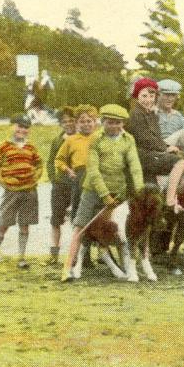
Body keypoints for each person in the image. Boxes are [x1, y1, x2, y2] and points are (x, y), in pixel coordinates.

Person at [63, 104, 144, 280]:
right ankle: (69, 267)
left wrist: (139, 190)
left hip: (119, 191)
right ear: (103, 122)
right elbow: (93, 170)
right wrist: (104, 195)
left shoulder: (128, 139)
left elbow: (135, 167)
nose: (114, 126)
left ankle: (127, 267)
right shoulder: (96, 139)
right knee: (80, 226)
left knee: (121, 228)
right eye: (110, 122)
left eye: (118, 123)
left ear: (122, 123)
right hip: (93, 190)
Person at [0, 114, 44, 270]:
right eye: (19, 126)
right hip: (11, 192)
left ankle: (21, 258)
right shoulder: (3, 146)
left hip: (29, 192)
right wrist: (4, 183)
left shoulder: (31, 147)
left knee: (25, 224)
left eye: (25, 127)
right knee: (3, 223)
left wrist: (35, 178)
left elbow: (39, 164)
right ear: (12, 126)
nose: (22, 130)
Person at [125, 77, 181, 181]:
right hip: (140, 155)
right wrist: (165, 149)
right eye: (144, 96)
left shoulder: (150, 114)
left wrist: (168, 146)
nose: (148, 100)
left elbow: (157, 137)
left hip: (150, 154)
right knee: (179, 162)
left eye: (151, 96)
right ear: (137, 96)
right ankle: (170, 196)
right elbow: (145, 139)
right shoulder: (136, 114)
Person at [55, 105, 99, 229]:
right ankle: (79, 240)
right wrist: (68, 171)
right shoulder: (71, 140)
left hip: (97, 177)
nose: (86, 124)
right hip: (80, 177)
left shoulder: (100, 138)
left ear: (95, 122)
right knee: (79, 211)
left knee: (97, 211)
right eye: (82, 121)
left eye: (89, 121)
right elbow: (59, 160)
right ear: (77, 123)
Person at [47, 107, 77, 264]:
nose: (68, 124)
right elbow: (51, 161)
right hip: (60, 185)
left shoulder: (82, 138)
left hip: (77, 185)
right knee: (56, 219)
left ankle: (75, 255)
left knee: (76, 220)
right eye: (64, 121)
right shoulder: (57, 140)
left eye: (71, 120)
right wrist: (53, 178)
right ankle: (54, 254)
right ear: (60, 124)